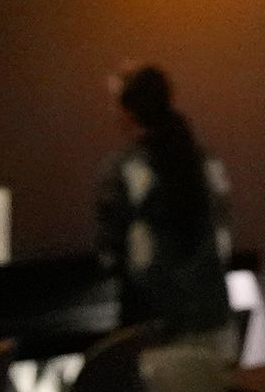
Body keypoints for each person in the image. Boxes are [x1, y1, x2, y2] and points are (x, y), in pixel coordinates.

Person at [95, 64, 237, 361]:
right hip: (214, 323)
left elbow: (111, 251)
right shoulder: (204, 162)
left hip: (155, 331)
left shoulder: (126, 170)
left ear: (127, 112)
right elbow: (224, 233)